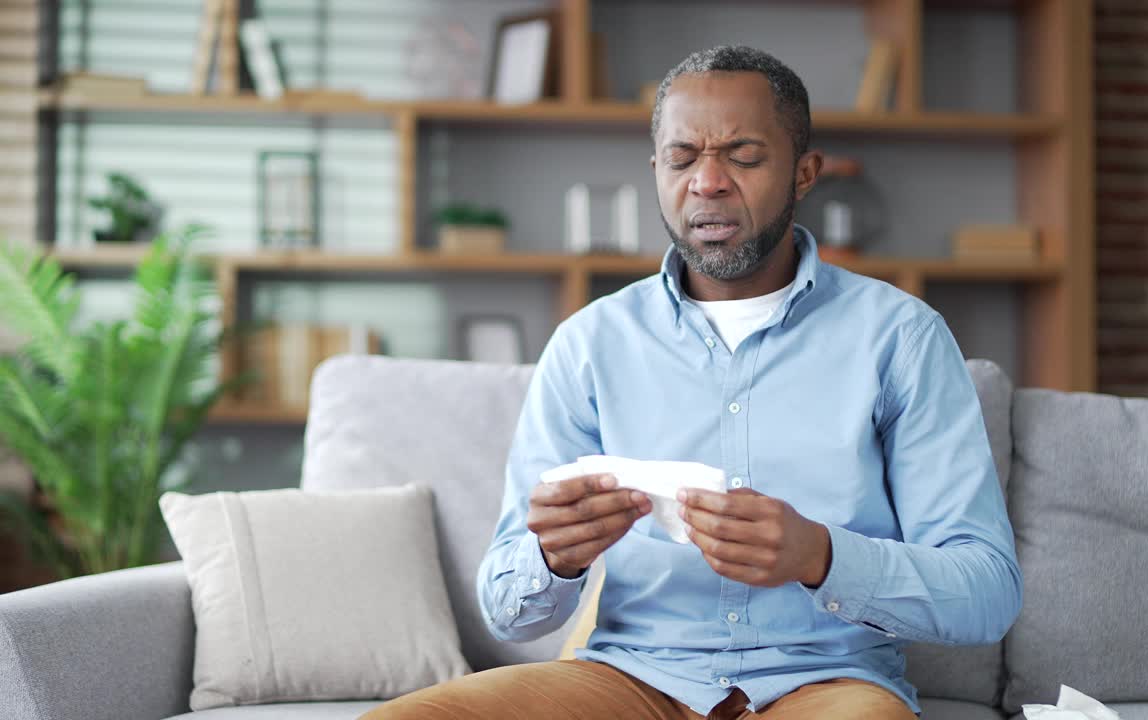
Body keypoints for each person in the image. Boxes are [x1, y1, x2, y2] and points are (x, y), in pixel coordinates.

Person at [362, 45, 1022, 720]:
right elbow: (509, 613)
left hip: (826, 687)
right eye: (683, 157)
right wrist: (555, 558)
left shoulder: (900, 338)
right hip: (628, 680)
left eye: (743, 155)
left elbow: (987, 594)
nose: (707, 181)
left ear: (804, 173)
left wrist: (820, 556)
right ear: (658, 171)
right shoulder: (590, 344)